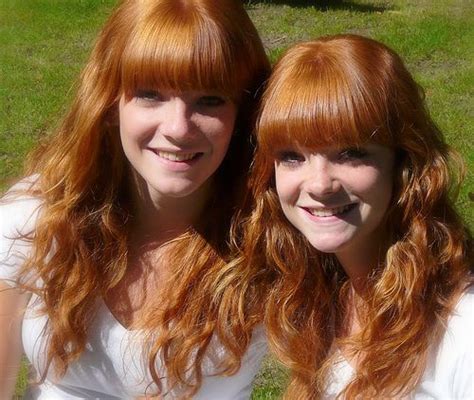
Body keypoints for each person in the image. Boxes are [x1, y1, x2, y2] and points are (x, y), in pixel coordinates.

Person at [0, 0, 270, 398]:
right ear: (110, 103)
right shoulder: (33, 218)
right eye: (150, 95)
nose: (178, 127)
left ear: (245, 113)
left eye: (210, 99)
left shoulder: (270, 238)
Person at [244, 34, 473, 399]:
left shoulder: (462, 328)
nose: (318, 184)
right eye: (292, 156)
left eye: (350, 153)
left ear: (403, 161)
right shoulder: (325, 293)